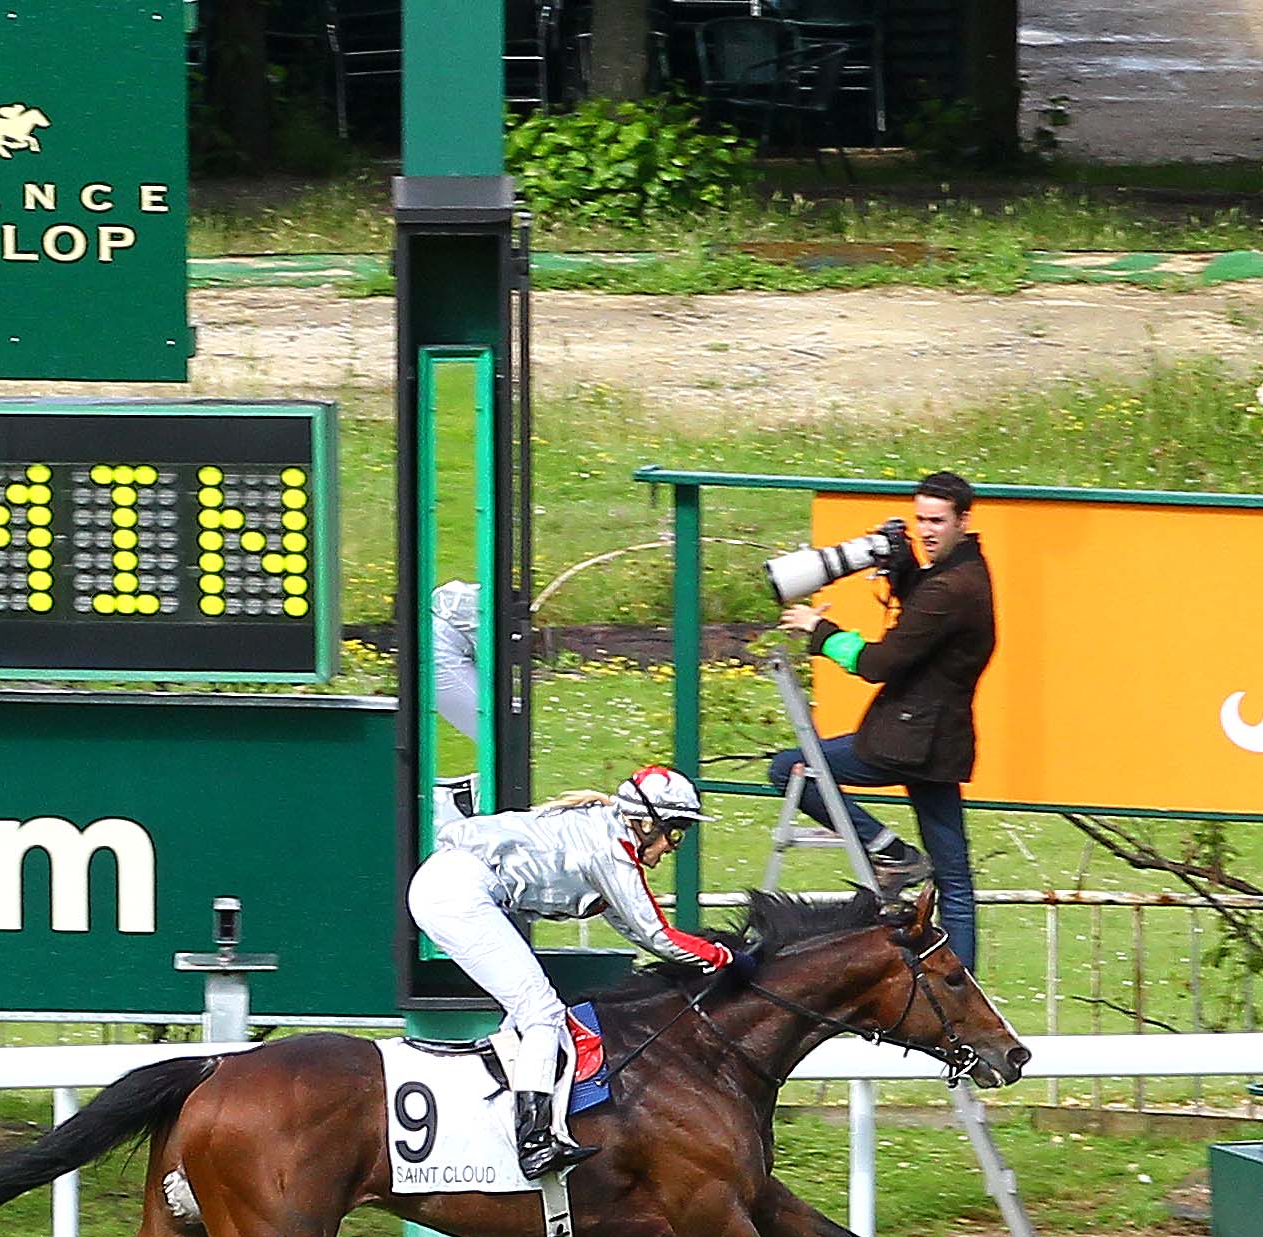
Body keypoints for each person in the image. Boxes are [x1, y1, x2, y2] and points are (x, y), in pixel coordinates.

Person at [404, 765, 733, 1180]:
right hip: (458, 894)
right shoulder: (611, 851)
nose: (673, 845)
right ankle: (533, 1143)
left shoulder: (605, 836)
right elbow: (658, 935)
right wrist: (728, 959)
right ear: (646, 822)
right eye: (675, 830)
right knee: (541, 1012)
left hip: (455, 887)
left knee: (527, 1016)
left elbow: (635, 927)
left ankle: (501, 1121)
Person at [766, 470, 993, 965]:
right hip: (940, 744)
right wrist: (906, 568)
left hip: (904, 742)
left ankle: (889, 851)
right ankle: (963, 985)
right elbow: (926, 620)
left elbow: (879, 664)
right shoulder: (969, 573)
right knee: (954, 879)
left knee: (789, 771)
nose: (927, 530)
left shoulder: (948, 590)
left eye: (937, 520)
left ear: (963, 521)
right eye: (921, 520)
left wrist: (819, 629)